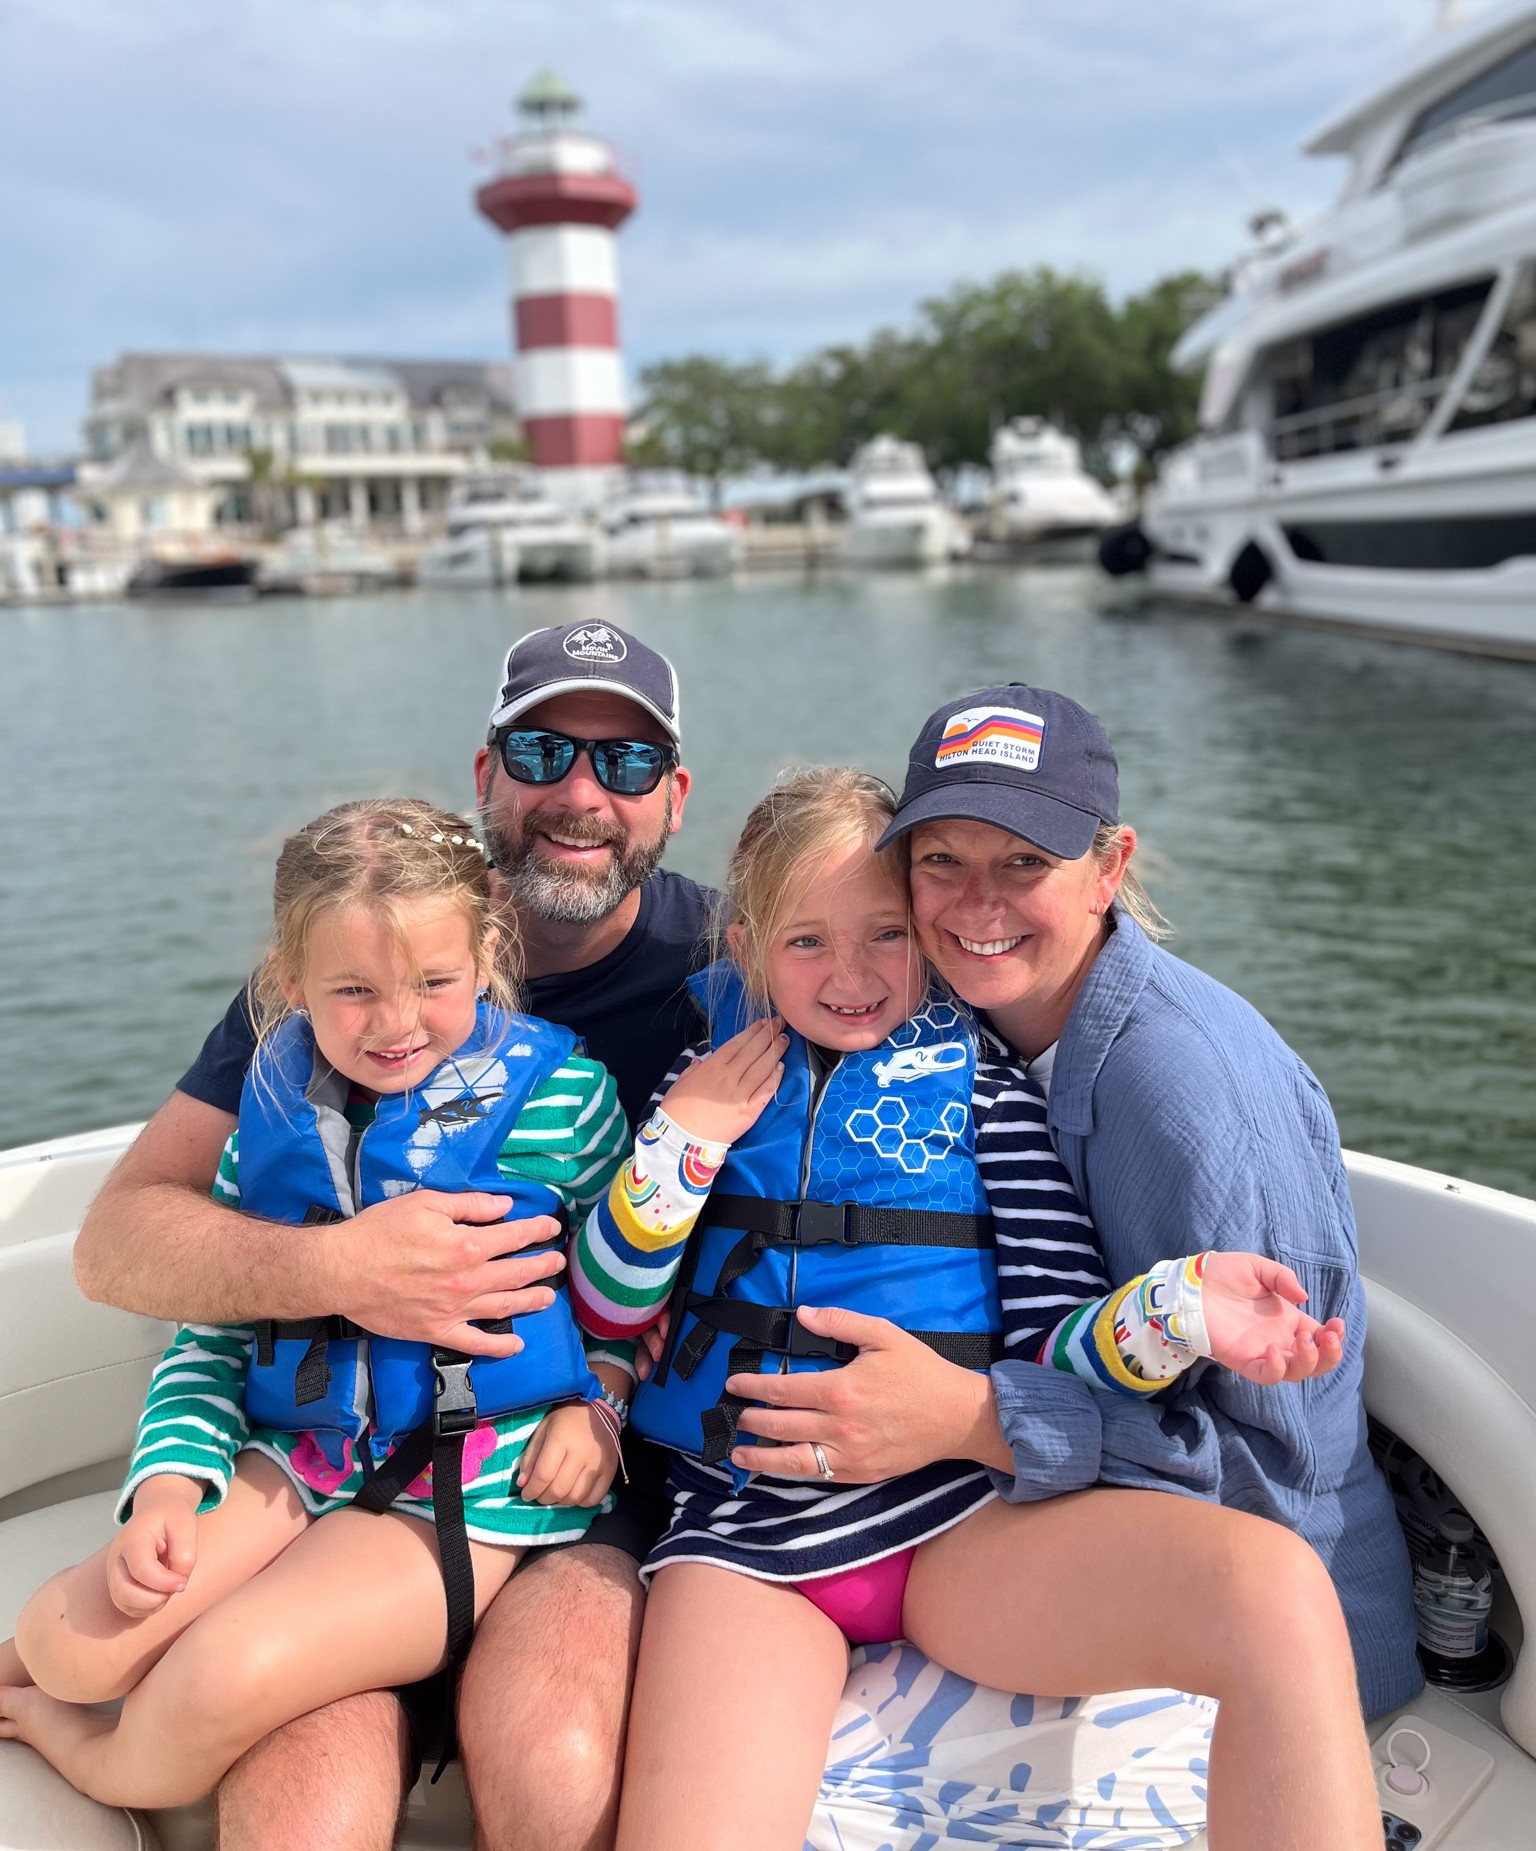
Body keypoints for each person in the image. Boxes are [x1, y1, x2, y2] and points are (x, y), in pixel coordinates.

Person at [587, 768, 1384, 1851]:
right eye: (807, 942)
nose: (853, 975)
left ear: (924, 936)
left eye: (884, 935)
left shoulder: (987, 1097)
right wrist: (684, 1140)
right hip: (749, 1539)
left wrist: (1178, 1309)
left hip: (958, 1531)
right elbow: (611, 1298)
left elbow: (1063, 1343)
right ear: (744, 946)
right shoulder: (706, 1086)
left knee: (1276, 1590)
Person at [67, 621, 714, 1850]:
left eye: (625, 765)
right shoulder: (343, 965)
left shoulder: (735, 967)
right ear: (486, 777)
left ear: (672, 799)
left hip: (573, 1477)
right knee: (301, 1817)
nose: (582, 794)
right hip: (337, 1470)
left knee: (557, 1762)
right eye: (543, 751)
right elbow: (116, 1244)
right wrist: (338, 1271)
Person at [711, 686, 1423, 1731]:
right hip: (1037, 1538)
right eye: (942, 861)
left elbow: (1273, 1475)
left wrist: (970, 1417)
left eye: (1025, 864)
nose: (974, 906)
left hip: (1280, 1659)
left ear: (1111, 869)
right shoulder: (963, 1013)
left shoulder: (1181, 1096)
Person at [0, 797, 633, 1808]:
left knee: (213, 1679)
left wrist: (598, 1398)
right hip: (297, 1457)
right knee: (68, 1645)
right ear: (288, 983)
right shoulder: (271, 1120)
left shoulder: (567, 1101)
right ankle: (59, 1684)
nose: (397, 1023)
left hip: (469, 1485)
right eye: (352, 990)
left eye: (435, 983)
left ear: (486, 957)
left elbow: (623, 1291)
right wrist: (169, 1487)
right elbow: (214, 1333)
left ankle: (88, 1755)